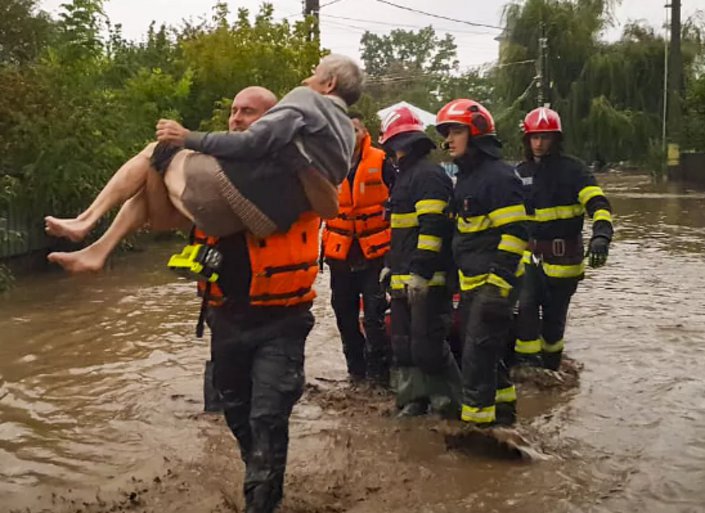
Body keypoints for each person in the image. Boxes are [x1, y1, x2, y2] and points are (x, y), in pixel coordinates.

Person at [44, 54, 362, 272]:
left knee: (159, 147)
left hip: (229, 195)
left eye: (315, 73)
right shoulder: (347, 134)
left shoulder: (306, 100)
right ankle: (96, 250)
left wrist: (187, 136)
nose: (308, 79)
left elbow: (252, 143)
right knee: (152, 170)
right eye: (234, 112)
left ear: (329, 83)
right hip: (254, 222)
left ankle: (86, 220)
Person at [436, 99, 528, 428]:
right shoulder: (468, 178)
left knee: (475, 361)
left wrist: (497, 287)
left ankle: (476, 433)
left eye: (455, 130)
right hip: (475, 285)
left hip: (493, 286)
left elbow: (516, 234)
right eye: (446, 132)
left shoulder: (498, 177)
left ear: (476, 132)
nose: (448, 139)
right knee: (487, 356)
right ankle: (504, 417)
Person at [194, 86, 279, 413]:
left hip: (274, 307)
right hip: (223, 301)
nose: (236, 119)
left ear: (271, 121)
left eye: (247, 112)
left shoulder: (286, 167)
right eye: (233, 111)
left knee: (267, 409)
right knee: (225, 405)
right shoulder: (207, 163)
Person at [513, 107, 613, 371]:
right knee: (525, 309)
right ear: (527, 139)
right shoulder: (519, 172)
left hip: (564, 259)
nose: (539, 143)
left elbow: (599, 204)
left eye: (545, 137)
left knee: (554, 321)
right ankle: (527, 369)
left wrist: (601, 236)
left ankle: (552, 368)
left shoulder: (574, 171)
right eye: (534, 137)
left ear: (556, 139)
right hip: (529, 257)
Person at [379, 105, 462, 418]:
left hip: (427, 281)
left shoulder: (428, 176)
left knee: (428, 348)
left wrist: (421, 274)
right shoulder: (405, 178)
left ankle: (452, 406)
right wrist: (390, 264)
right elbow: (401, 232)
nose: (392, 152)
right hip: (403, 278)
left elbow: (433, 229)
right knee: (403, 347)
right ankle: (414, 401)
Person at [322, 113, 394, 384]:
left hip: (374, 255)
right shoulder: (327, 165)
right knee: (344, 315)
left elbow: (399, 199)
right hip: (340, 256)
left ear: (364, 132)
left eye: (353, 129)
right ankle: (356, 372)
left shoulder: (382, 161)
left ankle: (379, 376)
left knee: (375, 317)